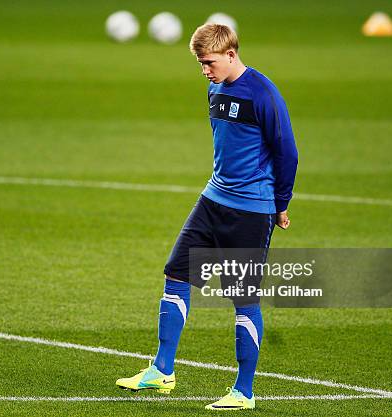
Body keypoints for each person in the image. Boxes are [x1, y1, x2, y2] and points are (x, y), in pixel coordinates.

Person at [116, 23, 298, 411]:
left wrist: (280, 202)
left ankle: (244, 391)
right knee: (176, 272)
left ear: (231, 54)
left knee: (242, 299)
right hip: (212, 199)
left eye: (209, 62)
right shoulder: (214, 86)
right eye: (200, 63)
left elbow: (287, 151)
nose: (204, 70)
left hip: (251, 210)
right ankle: (162, 371)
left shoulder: (263, 93)